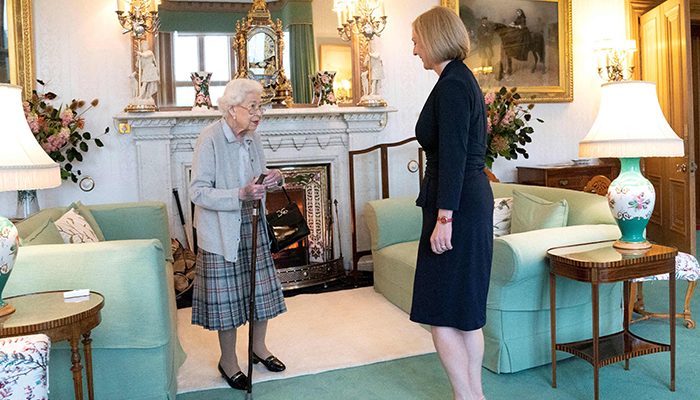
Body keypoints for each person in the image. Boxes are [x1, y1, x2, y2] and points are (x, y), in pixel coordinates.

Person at [411, 7, 493, 400]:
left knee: (441, 311)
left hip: (456, 207)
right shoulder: (460, 79)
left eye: (415, 41)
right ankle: (473, 395)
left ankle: (467, 397)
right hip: (463, 203)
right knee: (463, 312)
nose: (414, 51)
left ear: (432, 38)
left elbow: (456, 154)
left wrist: (445, 217)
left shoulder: (454, 84)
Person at [189, 78, 287, 391]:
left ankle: (259, 349)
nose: (260, 113)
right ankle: (228, 361)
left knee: (261, 294)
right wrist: (239, 195)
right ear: (233, 109)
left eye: (262, 106)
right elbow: (198, 192)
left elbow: (257, 176)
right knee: (228, 303)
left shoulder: (252, 138)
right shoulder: (210, 138)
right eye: (254, 106)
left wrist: (273, 178)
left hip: (253, 223)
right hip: (221, 231)